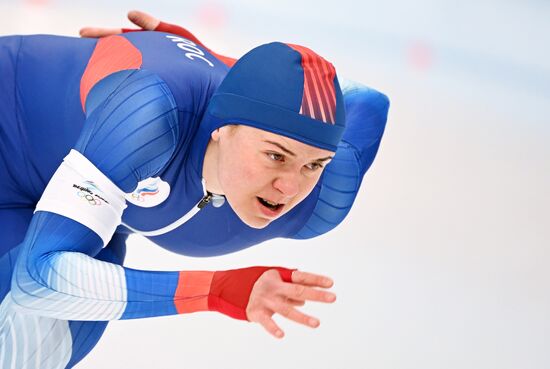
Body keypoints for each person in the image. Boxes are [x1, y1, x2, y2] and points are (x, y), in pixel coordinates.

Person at [0, 12, 389, 369]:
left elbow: (369, 102)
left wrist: (220, 63)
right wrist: (214, 290)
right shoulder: (150, 111)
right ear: (222, 126)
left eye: (313, 165)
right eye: (275, 156)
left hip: (72, 200)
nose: (290, 187)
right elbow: (40, 277)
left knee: (26, 354)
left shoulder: (318, 203)